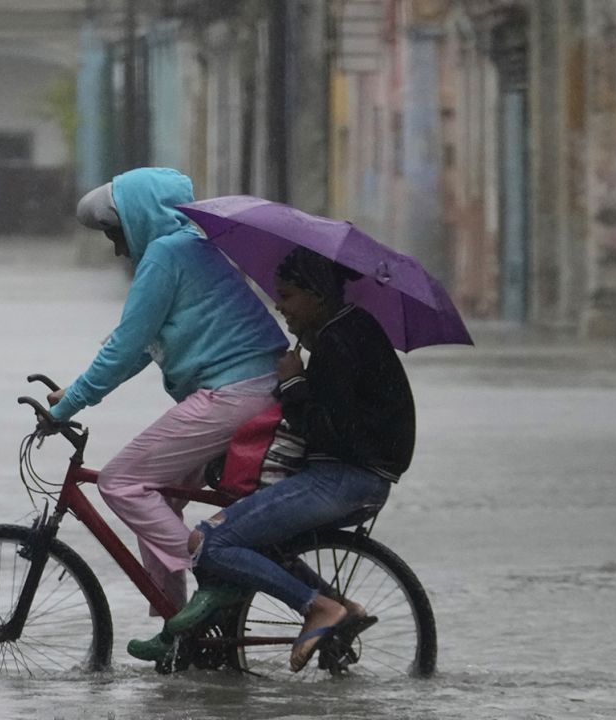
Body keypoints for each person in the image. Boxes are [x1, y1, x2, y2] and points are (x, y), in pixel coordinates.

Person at [45, 168, 288, 651]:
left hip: (234, 393)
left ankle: (214, 570)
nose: (118, 248)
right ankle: (181, 630)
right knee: (160, 499)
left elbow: (123, 349)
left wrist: (65, 409)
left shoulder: (165, 253)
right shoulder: (188, 248)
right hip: (251, 388)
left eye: (117, 233)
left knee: (120, 483)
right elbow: (140, 349)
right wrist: (73, 392)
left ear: (141, 219)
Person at [145, 247, 417, 671]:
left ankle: (318, 607)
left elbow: (328, 429)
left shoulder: (339, 340)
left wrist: (292, 383)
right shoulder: (344, 332)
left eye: (288, 296)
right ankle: (344, 607)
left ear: (318, 296)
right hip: (355, 475)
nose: (280, 306)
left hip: (344, 480)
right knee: (257, 544)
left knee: (209, 543)